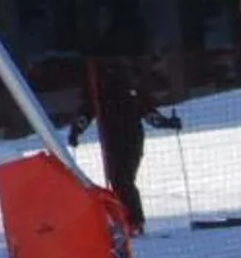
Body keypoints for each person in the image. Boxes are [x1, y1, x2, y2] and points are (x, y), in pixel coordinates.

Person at [68, 63, 183, 233]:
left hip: (129, 141)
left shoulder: (128, 93)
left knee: (123, 180)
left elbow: (150, 114)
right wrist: (75, 132)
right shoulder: (100, 94)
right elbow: (86, 114)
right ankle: (126, 219)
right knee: (118, 180)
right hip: (114, 142)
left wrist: (168, 123)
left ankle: (134, 221)